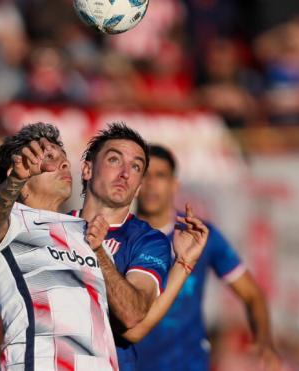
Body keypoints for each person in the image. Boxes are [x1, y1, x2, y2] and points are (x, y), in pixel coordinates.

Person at [0, 123, 118, 370]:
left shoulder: (90, 235)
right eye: (49, 158)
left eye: (63, 158)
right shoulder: (12, 222)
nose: (64, 164)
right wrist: (15, 181)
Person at [71, 123, 208, 371]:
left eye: (135, 167)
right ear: (87, 169)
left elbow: (132, 319)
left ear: (138, 186)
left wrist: (98, 251)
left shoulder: (149, 241)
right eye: (114, 159)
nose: (125, 173)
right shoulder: (53, 229)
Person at [134, 144, 281, 371]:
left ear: (175, 185)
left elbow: (252, 294)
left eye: (160, 175)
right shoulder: (118, 235)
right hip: (131, 363)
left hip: (188, 363)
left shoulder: (199, 235)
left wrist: (264, 342)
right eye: (144, 176)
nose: (151, 184)